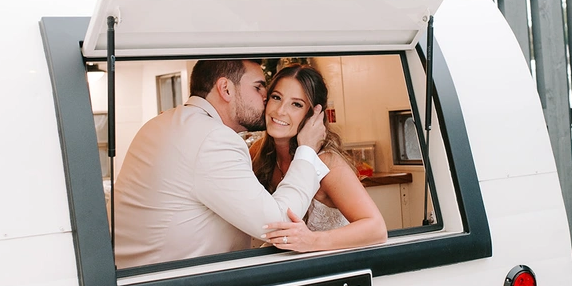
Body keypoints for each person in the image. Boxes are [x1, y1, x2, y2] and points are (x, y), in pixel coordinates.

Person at [113, 59, 328, 268]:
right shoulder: (214, 139)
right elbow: (280, 224)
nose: (266, 98)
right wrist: (307, 150)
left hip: (131, 278)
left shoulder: (159, 123)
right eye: (258, 88)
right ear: (225, 89)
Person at [251, 65, 387, 252]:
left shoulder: (327, 163)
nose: (281, 111)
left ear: (314, 115)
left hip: (330, 269)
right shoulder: (257, 152)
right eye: (276, 97)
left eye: (296, 104)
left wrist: (312, 241)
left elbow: (377, 228)